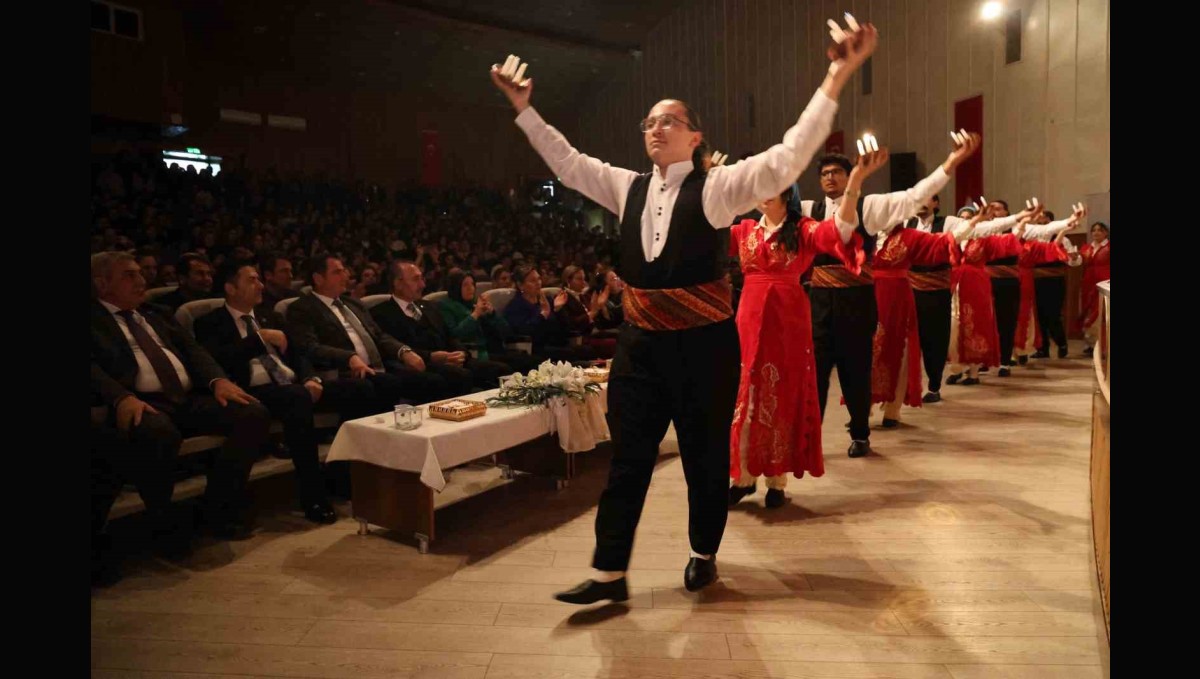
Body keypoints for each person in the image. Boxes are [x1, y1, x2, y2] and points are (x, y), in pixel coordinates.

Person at [491, 19, 878, 603]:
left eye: (668, 119)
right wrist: (525, 109)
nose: (655, 128)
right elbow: (567, 163)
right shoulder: (625, 186)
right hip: (639, 347)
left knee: (702, 460)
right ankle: (609, 573)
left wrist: (836, 73)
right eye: (648, 122)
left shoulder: (719, 187)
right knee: (628, 460)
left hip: (704, 347)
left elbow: (787, 157)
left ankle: (703, 552)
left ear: (695, 136)